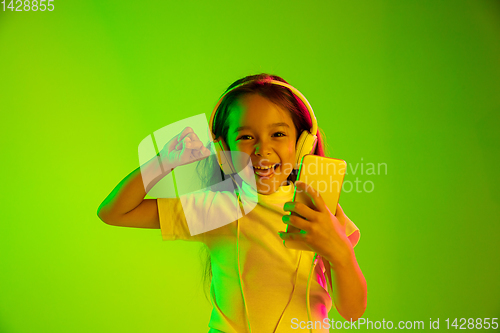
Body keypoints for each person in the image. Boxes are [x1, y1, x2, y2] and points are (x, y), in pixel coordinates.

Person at [97, 73, 367, 332]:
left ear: (302, 144)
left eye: (278, 134)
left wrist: (339, 250)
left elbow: (353, 311)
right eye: (246, 137)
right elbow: (114, 212)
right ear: (222, 151)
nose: (262, 149)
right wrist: (162, 162)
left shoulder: (319, 210)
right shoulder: (215, 208)